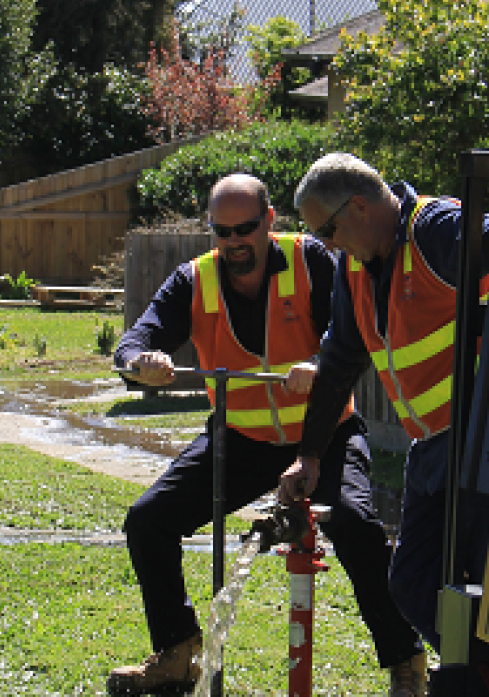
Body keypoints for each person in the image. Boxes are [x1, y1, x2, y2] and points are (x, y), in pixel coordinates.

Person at [107, 173, 425, 697]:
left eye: (245, 228)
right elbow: (137, 338)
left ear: (269, 221)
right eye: (222, 231)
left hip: (324, 437)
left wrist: (318, 364)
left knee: (354, 521)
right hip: (241, 440)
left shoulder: (314, 260)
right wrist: (139, 361)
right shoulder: (194, 279)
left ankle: (404, 661)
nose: (234, 242)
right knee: (147, 521)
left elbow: (351, 337)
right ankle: (178, 652)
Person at [278, 153, 489, 660]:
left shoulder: (435, 229)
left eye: (327, 231)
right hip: (432, 449)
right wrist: (308, 456)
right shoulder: (355, 269)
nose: (327, 245)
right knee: (413, 585)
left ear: (358, 207)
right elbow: (338, 365)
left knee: (487, 585)